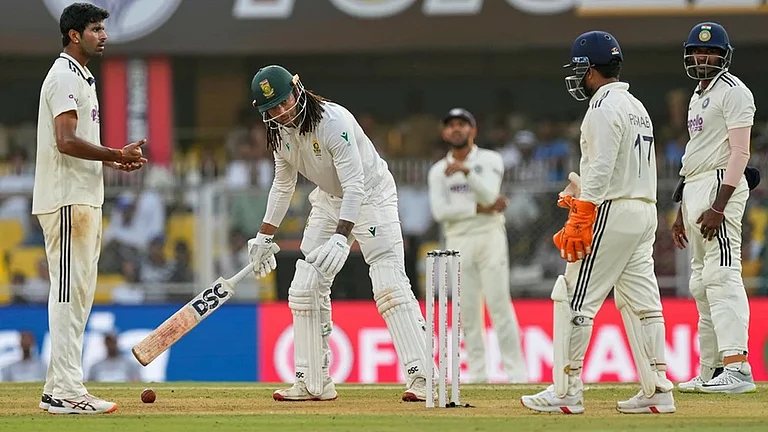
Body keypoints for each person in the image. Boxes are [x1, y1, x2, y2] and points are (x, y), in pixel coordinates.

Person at [246, 65, 431, 402]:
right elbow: (284, 185)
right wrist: (264, 236)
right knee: (305, 287)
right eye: (271, 109)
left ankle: (422, 376)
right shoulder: (280, 134)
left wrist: (340, 235)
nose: (281, 112)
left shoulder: (333, 122)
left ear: (297, 89)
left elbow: (355, 184)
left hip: (371, 195)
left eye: (284, 101)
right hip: (330, 200)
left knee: (388, 284)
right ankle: (312, 381)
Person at [521, 31, 675, 414]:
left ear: (589, 70)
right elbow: (622, 166)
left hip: (613, 210)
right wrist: (582, 192)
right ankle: (658, 389)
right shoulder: (636, 105)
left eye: (578, 70)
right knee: (642, 302)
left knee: (573, 296)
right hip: (642, 210)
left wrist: (583, 212)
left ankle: (566, 391)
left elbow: (604, 165)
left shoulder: (603, 107)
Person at [33, 2, 146, 414]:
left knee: (77, 295)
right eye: (96, 29)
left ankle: (61, 387)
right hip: (66, 199)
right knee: (67, 294)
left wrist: (113, 159)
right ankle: (64, 391)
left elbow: (75, 141)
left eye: (103, 28)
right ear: (74, 35)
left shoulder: (80, 75)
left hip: (82, 198)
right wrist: (113, 152)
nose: (104, 35)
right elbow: (65, 140)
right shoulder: (64, 74)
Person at [671, 22, 757, 394]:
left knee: (722, 276)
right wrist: (680, 210)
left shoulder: (735, 92)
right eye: (696, 52)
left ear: (724, 56)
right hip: (696, 187)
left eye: (710, 52)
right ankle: (711, 370)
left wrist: (719, 205)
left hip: (722, 185)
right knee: (700, 284)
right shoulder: (697, 94)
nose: (701, 57)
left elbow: (740, 153)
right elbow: (695, 154)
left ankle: (738, 368)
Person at [427, 108, 526, 383]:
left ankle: (517, 374)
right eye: (451, 125)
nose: (456, 129)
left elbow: (491, 195)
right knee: (467, 310)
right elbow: (440, 212)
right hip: (458, 240)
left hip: (490, 236)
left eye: (462, 125)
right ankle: (479, 375)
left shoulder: (489, 159)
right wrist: (476, 208)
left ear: (473, 130)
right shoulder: (437, 172)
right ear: (444, 132)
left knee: (499, 305)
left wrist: (467, 173)